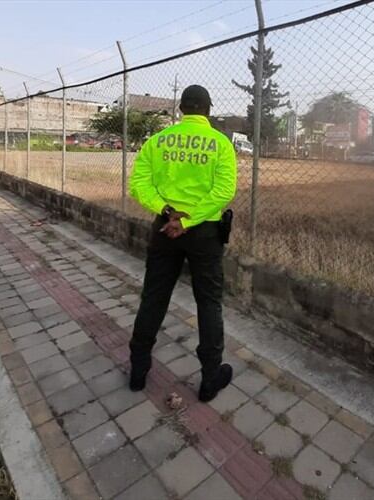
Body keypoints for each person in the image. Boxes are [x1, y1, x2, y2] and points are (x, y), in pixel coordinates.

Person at [127, 85, 237, 402]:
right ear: (208, 109)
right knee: (208, 304)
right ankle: (209, 378)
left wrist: (168, 213)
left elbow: (139, 185)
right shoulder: (220, 143)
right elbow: (223, 191)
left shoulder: (157, 141)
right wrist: (187, 220)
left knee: (154, 298)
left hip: (164, 230)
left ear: (181, 110)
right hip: (204, 232)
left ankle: (138, 370)